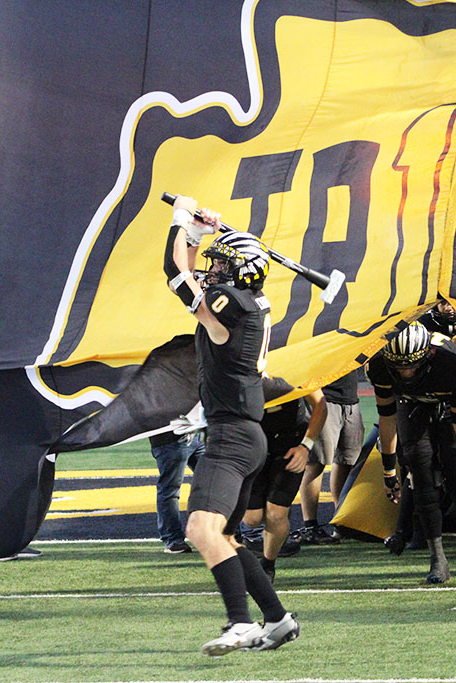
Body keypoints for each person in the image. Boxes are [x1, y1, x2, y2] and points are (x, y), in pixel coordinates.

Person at [162, 195, 299, 655]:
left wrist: (182, 220)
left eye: (221, 265)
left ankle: (240, 623)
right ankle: (277, 620)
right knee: (225, 537)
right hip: (245, 432)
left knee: (200, 531)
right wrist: (201, 234)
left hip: (231, 436)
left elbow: (176, 274)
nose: (212, 270)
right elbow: (192, 274)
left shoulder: (232, 304)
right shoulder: (249, 302)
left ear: (238, 274)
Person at [366, 321, 456, 584]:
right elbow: (386, 420)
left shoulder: (449, 365)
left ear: (427, 354)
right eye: (399, 365)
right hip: (409, 405)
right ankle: (437, 558)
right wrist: (389, 471)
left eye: (412, 364)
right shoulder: (378, 365)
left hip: (447, 407)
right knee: (419, 472)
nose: (406, 372)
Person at [243, 382, 327, 583]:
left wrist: (305, 446)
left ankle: (267, 565)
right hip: (253, 443)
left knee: (277, 513)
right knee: (252, 519)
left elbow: (320, 405)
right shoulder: (240, 366)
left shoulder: (293, 364)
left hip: (290, 441)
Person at [294, 370, 362, 545]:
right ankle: (310, 526)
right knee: (316, 463)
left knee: (346, 461)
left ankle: (341, 520)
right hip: (323, 397)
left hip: (350, 398)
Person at [149, 430, 204, 553]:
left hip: (196, 435)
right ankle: (173, 539)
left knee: (213, 484)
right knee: (170, 490)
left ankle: (226, 532)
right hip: (170, 438)